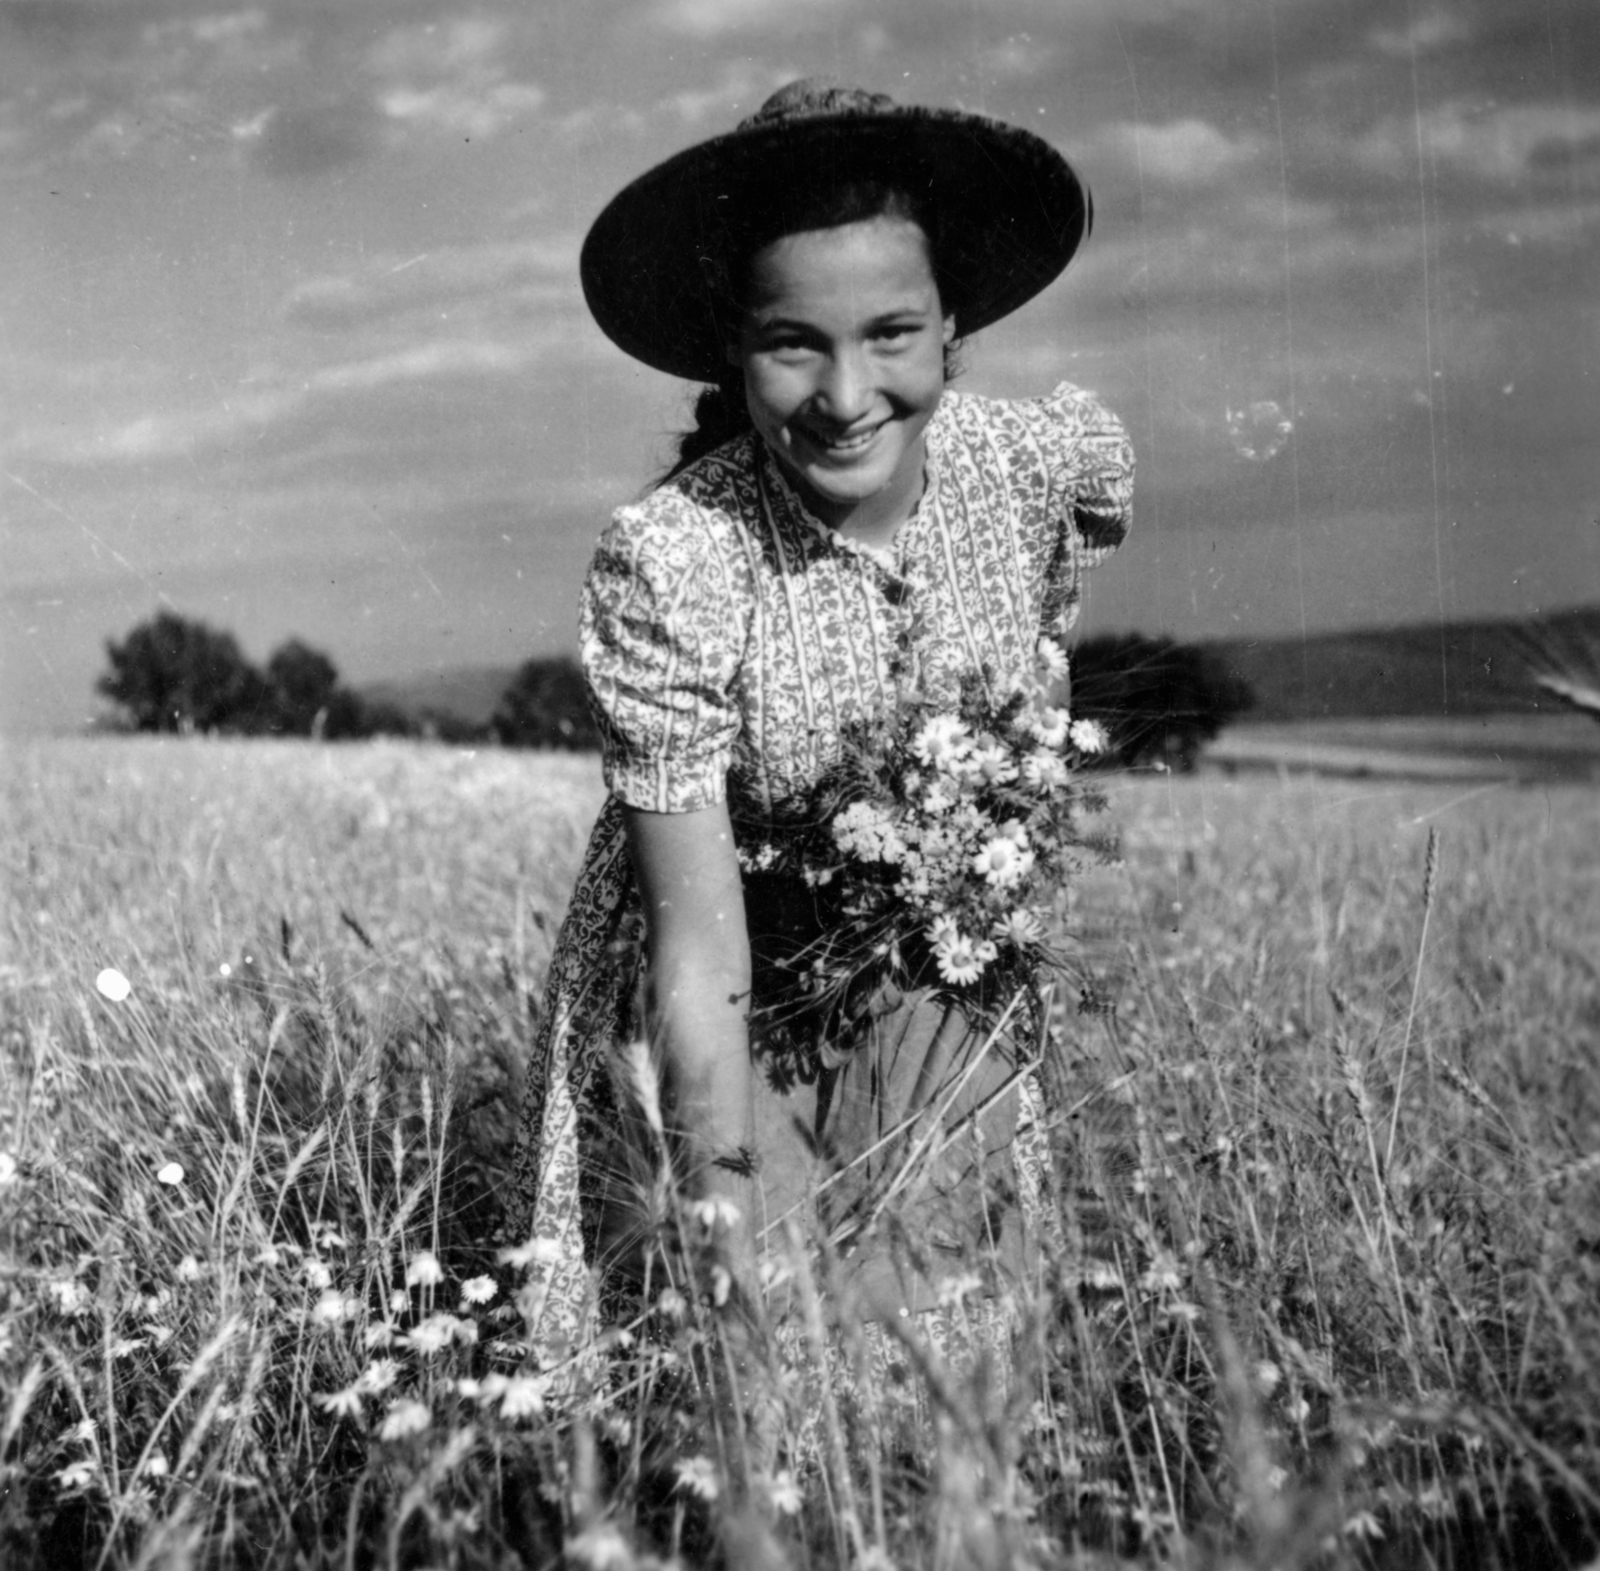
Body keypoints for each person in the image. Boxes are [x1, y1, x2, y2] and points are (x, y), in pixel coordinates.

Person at [507, 79, 1133, 1420]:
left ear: (953, 327)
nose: (849, 396)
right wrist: (716, 1191)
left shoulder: (1027, 468)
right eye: (795, 345)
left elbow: (1034, 677)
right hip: (747, 1006)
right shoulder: (679, 558)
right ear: (732, 350)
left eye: (893, 332)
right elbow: (700, 952)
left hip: (938, 987)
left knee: (950, 1372)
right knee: (762, 1376)